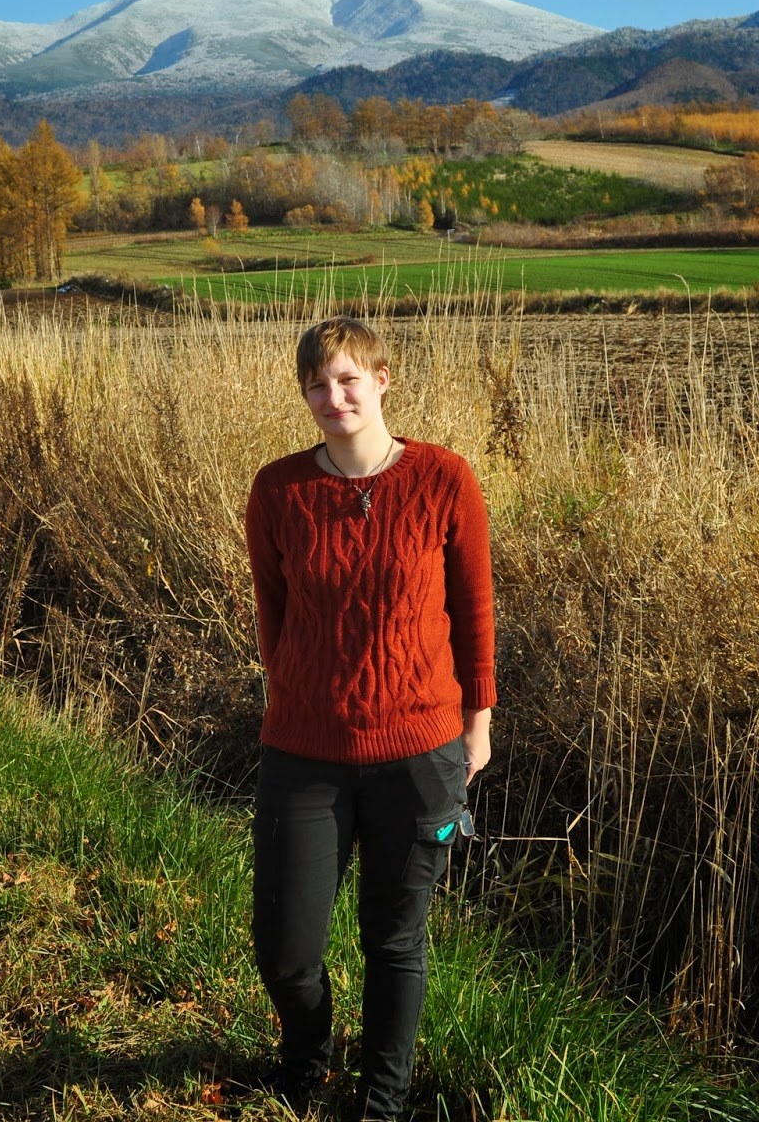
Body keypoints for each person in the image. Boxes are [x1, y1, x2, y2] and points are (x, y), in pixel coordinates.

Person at [245, 316, 497, 1120]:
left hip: (421, 753)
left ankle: (380, 1104)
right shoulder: (278, 489)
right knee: (286, 950)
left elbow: (474, 609)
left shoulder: (444, 479)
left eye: (348, 378)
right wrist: (295, 684)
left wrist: (478, 721)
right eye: (317, 384)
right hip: (304, 749)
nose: (333, 396)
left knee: (394, 941)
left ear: (383, 379)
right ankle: (305, 1061)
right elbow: (273, 612)